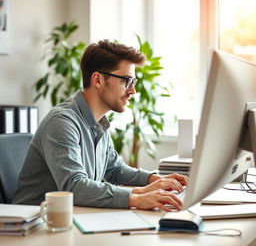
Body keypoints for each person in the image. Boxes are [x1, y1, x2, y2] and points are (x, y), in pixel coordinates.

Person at [13, 40, 188, 212]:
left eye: (133, 82)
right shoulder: (62, 122)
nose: (132, 91)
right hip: (35, 225)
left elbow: (114, 169)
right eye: (126, 81)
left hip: (73, 217)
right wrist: (138, 196)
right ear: (98, 79)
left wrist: (153, 179)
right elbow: (75, 187)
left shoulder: (98, 122)